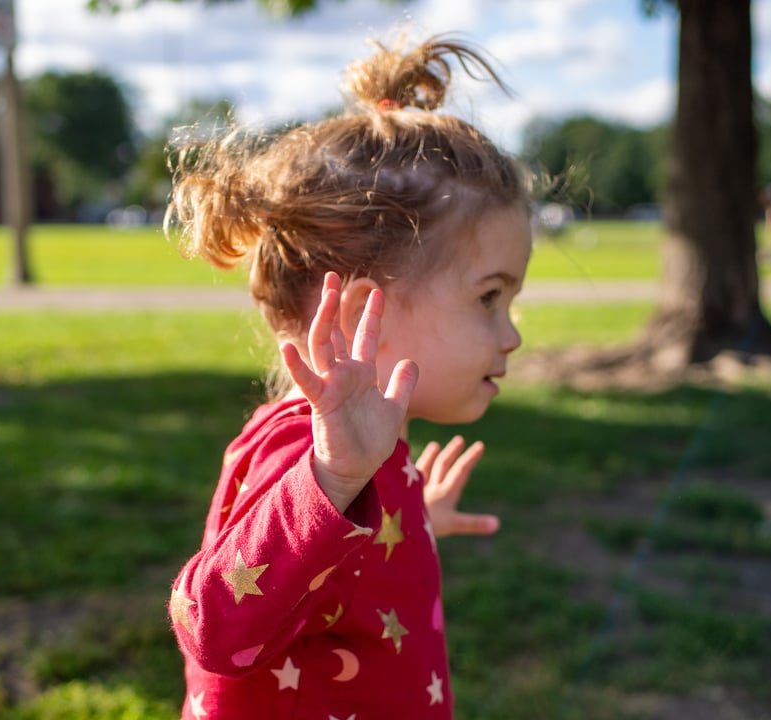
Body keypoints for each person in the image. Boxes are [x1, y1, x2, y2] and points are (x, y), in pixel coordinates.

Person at [164, 33, 533, 720]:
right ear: (366, 314)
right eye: (489, 297)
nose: (510, 334)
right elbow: (213, 630)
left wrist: (410, 521)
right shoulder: (309, 452)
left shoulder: (362, 451)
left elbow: (331, 579)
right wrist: (331, 481)